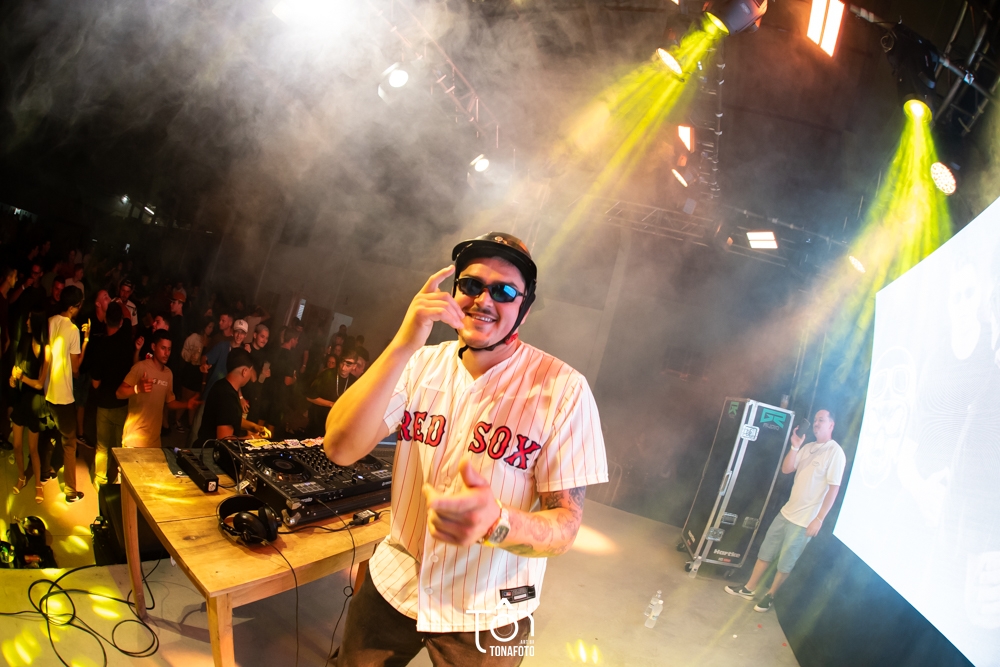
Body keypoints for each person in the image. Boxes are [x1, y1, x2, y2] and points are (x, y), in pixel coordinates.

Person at [324, 232, 608, 666]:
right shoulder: (419, 364)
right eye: (472, 284)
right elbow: (340, 448)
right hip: (396, 581)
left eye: (504, 291)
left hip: (491, 608)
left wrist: (498, 523)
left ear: (525, 308)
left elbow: (566, 526)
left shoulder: (564, 390)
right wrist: (404, 343)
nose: (483, 300)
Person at [725, 409, 846, 612]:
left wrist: (819, 519)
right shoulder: (808, 447)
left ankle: (770, 595)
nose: (816, 423)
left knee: (786, 562)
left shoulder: (835, 452)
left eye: (821, 420)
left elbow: (834, 489)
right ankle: (749, 588)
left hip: (804, 521)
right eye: (815, 420)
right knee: (766, 551)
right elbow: (787, 469)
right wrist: (795, 446)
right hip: (786, 512)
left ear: (831, 425)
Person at [45, 285, 90, 503]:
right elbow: (75, 368)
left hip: (48, 389)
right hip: (63, 395)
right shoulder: (72, 330)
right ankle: (71, 491)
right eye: (79, 305)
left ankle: (50, 469)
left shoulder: (50, 321)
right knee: (69, 443)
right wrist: (86, 340)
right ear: (73, 307)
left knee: (54, 433)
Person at [118, 330, 199, 448]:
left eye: (169, 349)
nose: (166, 353)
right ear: (153, 347)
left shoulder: (168, 374)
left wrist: (186, 404)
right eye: (163, 348)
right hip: (134, 438)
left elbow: (169, 402)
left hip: (154, 440)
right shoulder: (141, 367)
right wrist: (137, 388)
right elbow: (119, 393)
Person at [89, 303, 135, 490]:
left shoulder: (100, 346)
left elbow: (95, 383)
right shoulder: (127, 341)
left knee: (102, 445)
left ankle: (99, 480)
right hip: (122, 403)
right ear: (121, 322)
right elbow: (128, 316)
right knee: (119, 446)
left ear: (106, 320)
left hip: (104, 403)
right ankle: (117, 481)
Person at [10, 311, 50, 503]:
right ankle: (21, 476)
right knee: (17, 445)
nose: (26, 322)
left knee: (33, 449)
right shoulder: (25, 341)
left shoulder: (46, 350)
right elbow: (16, 366)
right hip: (22, 398)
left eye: (29, 319)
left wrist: (22, 378)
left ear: (36, 322)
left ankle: (38, 484)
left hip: (35, 402)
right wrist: (13, 378)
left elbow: (40, 384)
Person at [196, 348, 270, 447]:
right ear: (244, 371)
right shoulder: (227, 397)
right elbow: (224, 441)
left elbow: (230, 418)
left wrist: (254, 427)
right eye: (251, 370)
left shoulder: (221, 385)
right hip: (210, 452)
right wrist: (252, 439)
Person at [306, 351, 356, 437]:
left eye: (348, 365)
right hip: (318, 423)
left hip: (337, 426)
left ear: (354, 366)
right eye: (342, 363)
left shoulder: (354, 381)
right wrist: (331, 404)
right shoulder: (327, 374)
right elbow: (309, 397)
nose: (343, 368)